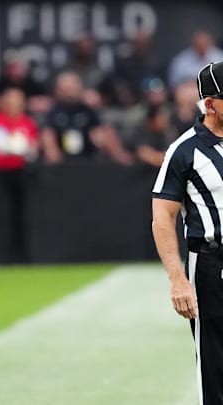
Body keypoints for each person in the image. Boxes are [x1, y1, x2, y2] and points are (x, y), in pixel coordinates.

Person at [152, 61, 223, 405]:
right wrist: (177, 278)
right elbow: (162, 218)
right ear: (209, 104)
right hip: (211, 263)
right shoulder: (184, 150)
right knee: (215, 365)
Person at [0, 87, 38, 263]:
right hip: (0, 175)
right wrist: (20, 147)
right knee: (1, 216)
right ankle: (0, 257)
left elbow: (32, 150)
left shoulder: (27, 122)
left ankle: (21, 256)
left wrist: (19, 148)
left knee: (21, 216)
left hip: (21, 174)